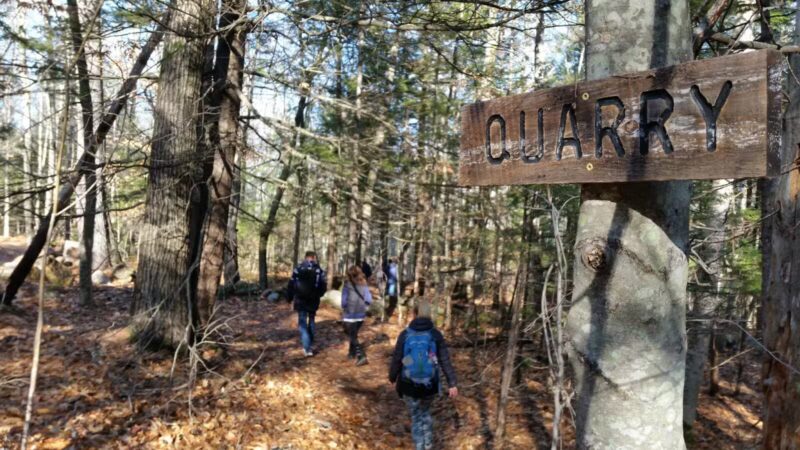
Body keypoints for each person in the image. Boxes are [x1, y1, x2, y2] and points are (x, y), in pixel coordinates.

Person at [389, 301, 458, 450]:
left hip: (408, 384)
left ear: (414, 313)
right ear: (429, 314)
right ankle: (428, 445)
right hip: (430, 384)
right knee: (425, 413)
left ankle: (419, 446)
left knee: (416, 416)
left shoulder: (405, 334)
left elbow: (398, 358)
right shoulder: (435, 334)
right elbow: (444, 359)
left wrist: (392, 376)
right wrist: (452, 383)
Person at [287, 251, 327, 357]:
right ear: (314, 257)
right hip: (313, 300)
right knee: (312, 321)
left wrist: (289, 298)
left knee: (302, 323)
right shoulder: (319, 270)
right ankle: (309, 345)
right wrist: (318, 295)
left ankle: (307, 348)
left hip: (300, 300)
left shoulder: (298, 269)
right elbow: (323, 285)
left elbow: (291, 284)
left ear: (306, 257)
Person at [342, 265, 372, 366]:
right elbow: (369, 299)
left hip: (349, 314)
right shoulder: (364, 283)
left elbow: (343, 302)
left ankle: (361, 356)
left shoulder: (347, 285)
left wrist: (345, 307)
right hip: (360, 315)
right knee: (353, 334)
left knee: (352, 335)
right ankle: (351, 353)